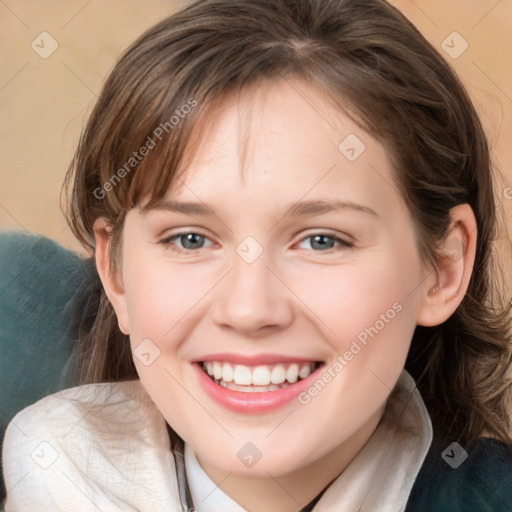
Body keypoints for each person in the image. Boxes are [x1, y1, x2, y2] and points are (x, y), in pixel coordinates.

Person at [2, 0, 512, 510]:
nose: (248, 310)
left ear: (442, 268)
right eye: (190, 239)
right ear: (116, 271)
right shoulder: (41, 469)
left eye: (322, 240)